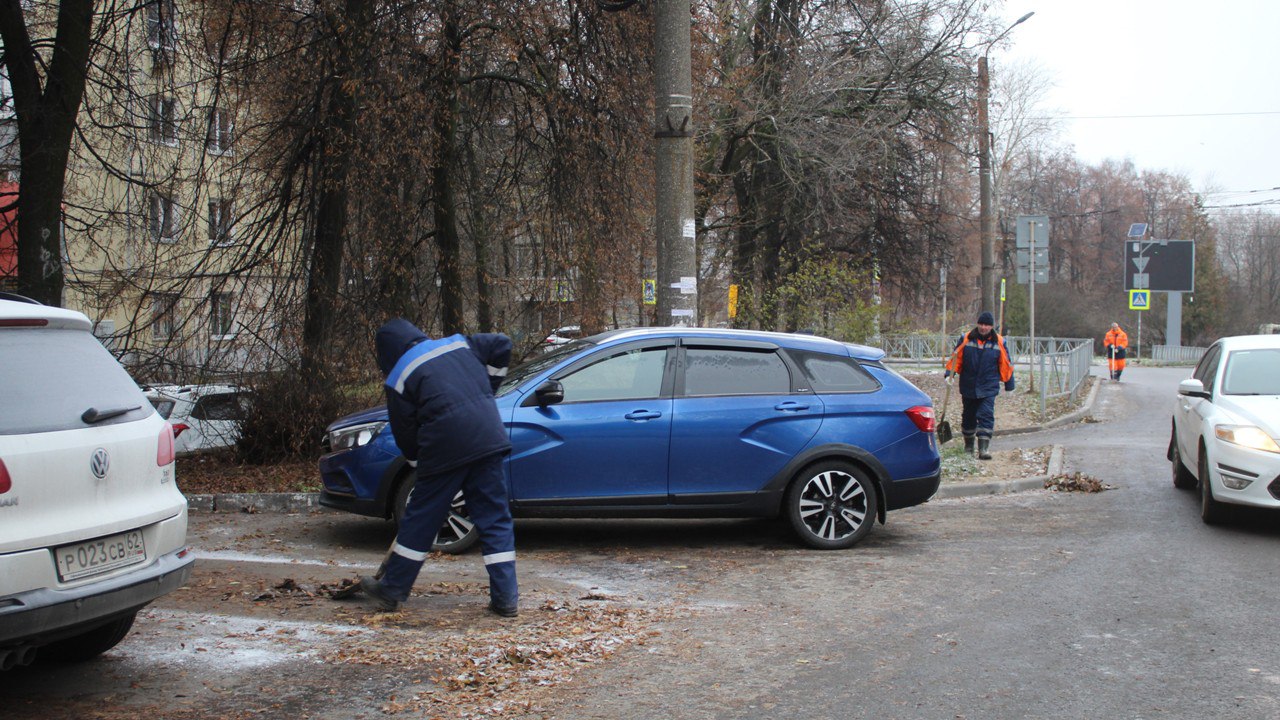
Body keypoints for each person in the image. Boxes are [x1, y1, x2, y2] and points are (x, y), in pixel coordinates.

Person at [355, 319, 519, 617]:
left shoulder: (400, 374)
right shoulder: (457, 343)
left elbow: (405, 432)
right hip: (488, 438)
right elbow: (502, 344)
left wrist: (419, 465)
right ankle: (506, 599)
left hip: (445, 447)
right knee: (494, 518)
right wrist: (488, 388)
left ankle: (392, 588)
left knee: (422, 518)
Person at [944, 311, 1015, 460]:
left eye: (987, 325)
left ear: (991, 326)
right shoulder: (966, 339)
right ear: (978, 324)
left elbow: (1006, 364)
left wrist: (1009, 385)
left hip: (988, 386)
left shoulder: (999, 342)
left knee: (986, 415)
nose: (983, 327)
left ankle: (984, 448)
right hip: (969, 385)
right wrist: (949, 374)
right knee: (968, 416)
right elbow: (956, 358)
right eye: (981, 324)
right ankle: (969, 446)